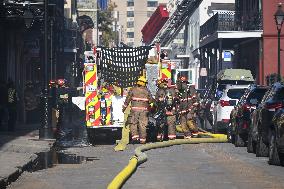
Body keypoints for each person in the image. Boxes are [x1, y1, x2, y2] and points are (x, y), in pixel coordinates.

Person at [122, 76, 154, 144]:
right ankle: (143, 140)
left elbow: (127, 100)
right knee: (143, 125)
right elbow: (151, 101)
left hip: (134, 111)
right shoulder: (147, 91)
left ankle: (135, 137)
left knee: (133, 123)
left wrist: (124, 108)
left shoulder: (133, 89)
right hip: (144, 111)